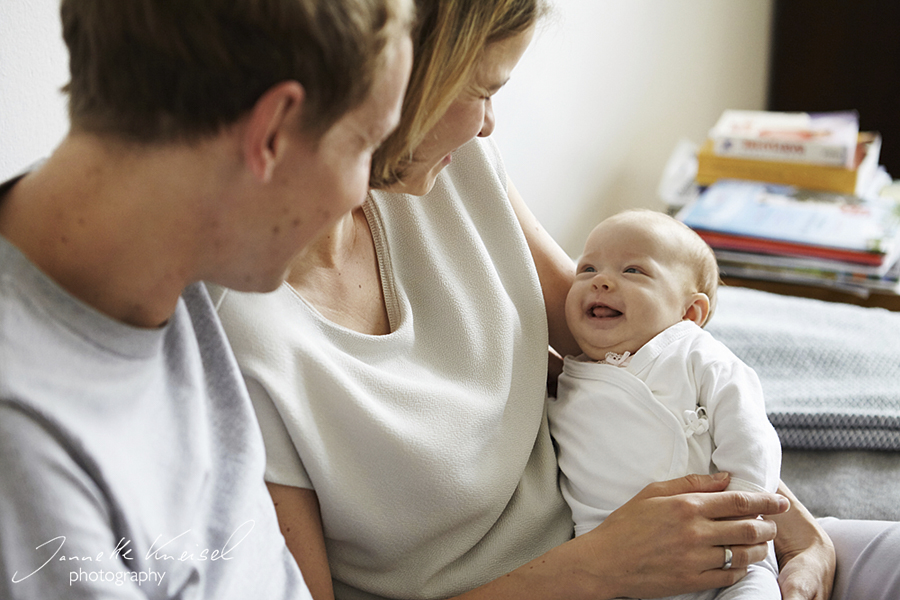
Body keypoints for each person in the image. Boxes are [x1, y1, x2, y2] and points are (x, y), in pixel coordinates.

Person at [214, 0, 900, 599]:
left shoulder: (456, 171)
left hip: (677, 551)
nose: (489, 126)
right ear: (402, 74)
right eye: (481, 90)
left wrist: (795, 530)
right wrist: (599, 568)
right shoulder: (242, 339)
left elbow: (629, 337)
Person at [0, 0, 412, 598]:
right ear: (270, 133)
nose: (360, 192)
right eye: (365, 144)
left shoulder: (155, 248)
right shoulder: (27, 447)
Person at [548, 209, 782, 599]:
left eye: (633, 271)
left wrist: (738, 514)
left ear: (689, 313)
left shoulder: (695, 354)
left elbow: (750, 433)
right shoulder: (567, 377)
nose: (601, 281)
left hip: (724, 553)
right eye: (586, 269)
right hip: (616, 568)